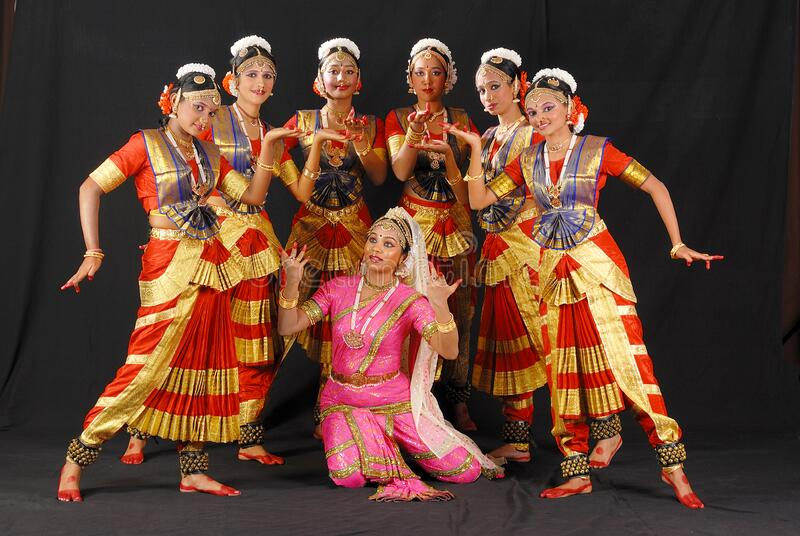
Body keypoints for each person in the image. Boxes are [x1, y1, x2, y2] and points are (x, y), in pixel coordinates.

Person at [450, 67, 721, 508]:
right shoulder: (527, 160)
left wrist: (677, 243)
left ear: (571, 107)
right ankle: (576, 471)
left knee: (630, 362)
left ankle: (673, 468)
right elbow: (480, 200)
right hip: (552, 271)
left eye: (549, 108)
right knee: (562, 371)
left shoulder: (598, 151)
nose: (539, 117)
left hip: (596, 265)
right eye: (533, 110)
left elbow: (655, 186)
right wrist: (477, 149)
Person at [57, 63, 299, 501]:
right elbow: (90, 188)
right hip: (168, 265)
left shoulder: (209, 155)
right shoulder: (144, 144)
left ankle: (193, 471)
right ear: (172, 102)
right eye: (195, 107)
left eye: (211, 111)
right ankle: (78, 458)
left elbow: (255, 196)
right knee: (144, 367)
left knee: (206, 365)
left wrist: (271, 150)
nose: (204, 118)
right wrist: (93, 251)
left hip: (213, 265)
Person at [120, 36, 300, 467]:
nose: (260, 82)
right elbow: (191, 181)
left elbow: (280, 191)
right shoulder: (207, 121)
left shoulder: (268, 132)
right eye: (251, 73)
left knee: (255, 338)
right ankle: (139, 430)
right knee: (179, 333)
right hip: (209, 239)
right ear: (231, 80)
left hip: (256, 242)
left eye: (268, 75)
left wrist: (311, 155)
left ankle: (247, 432)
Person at [276, 208, 503, 501]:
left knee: (464, 470)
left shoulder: (409, 301)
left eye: (388, 244)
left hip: (393, 401)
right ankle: (373, 438)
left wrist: (440, 305)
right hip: (342, 400)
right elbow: (288, 326)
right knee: (348, 477)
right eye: (373, 239)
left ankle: (381, 440)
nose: (376, 248)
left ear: (403, 258)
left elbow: (449, 350)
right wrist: (292, 282)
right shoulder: (338, 288)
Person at [281, 38, 388, 435]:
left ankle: (336, 402)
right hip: (309, 227)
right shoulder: (303, 121)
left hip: (356, 230)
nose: (340, 78)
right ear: (318, 80)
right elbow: (269, 154)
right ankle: (250, 413)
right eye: (332, 71)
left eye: (348, 72)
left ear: (358, 81)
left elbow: (378, 177)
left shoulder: (371, 124)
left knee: (351, 312)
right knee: (294, 305)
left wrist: (360, 142)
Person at [384, 38, 479, 431]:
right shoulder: (399, 116)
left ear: (448, 78)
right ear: (410, 79)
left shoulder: (462, 120)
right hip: (414, 225)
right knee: (408, 308)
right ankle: (404, 396)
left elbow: (467, 193)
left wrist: (452, 156)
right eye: (420, 72)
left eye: (435, 72)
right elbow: (401, 172)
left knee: (459, 310)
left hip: (454, 224)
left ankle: (457, 402)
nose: (427, 80)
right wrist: (412, 133)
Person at [460, 48, 548, 461]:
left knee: (544, 338)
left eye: (495, 86)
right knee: (510, 343)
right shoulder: (491, 137)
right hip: (496, 249)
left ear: (517, 86)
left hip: (529, 246)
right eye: (481, 90)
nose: (488, 96)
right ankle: (517, 440)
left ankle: (584, 435)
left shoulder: (535, 132)